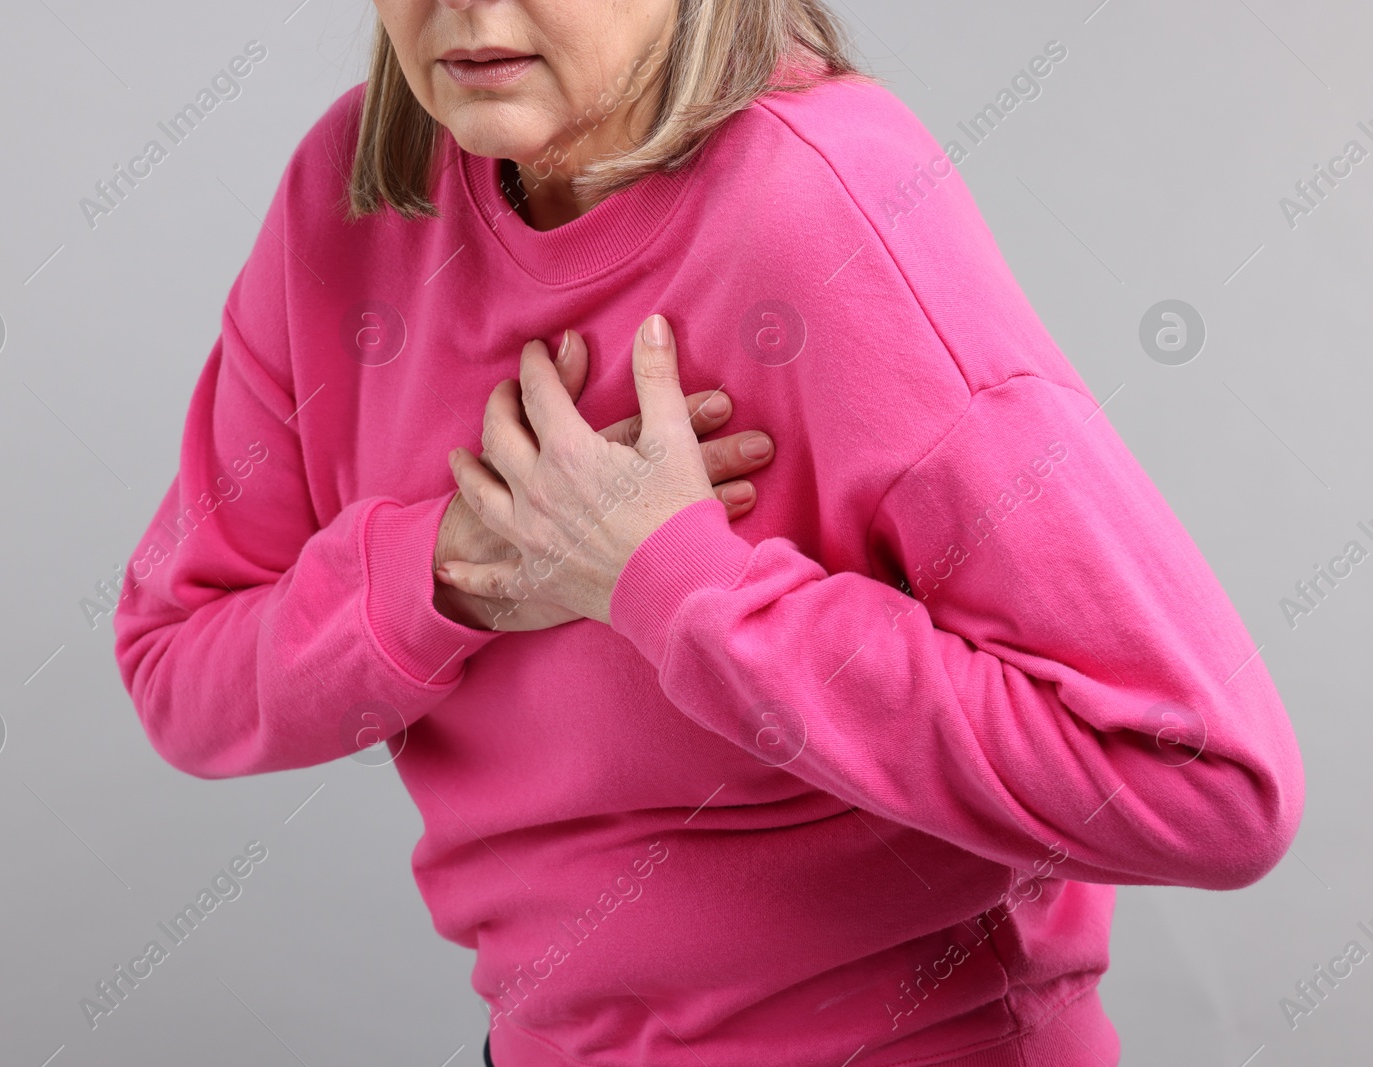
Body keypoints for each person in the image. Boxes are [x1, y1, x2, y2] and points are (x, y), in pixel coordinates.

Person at [112, 2, 1306, 1064]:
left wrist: (676, 586)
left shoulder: (823, 204)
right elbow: (180, 670)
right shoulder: (351, 200)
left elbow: (1211, 788)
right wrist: (451, 571)